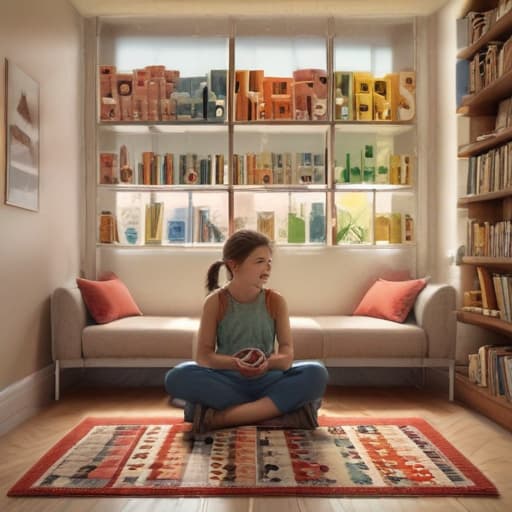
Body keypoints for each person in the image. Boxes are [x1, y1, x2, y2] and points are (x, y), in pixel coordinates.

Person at [164, 229, 328, 433]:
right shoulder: (216, 302)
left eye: (269, 262)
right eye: (259, 261)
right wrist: (235, 364)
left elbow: (286, 357)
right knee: (178, 376)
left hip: (268, 379)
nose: (267, 267)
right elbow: (204, 356)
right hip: (228, 381)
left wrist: (266, 364)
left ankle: (221, 419)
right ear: (234, 265)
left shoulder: (275, 301)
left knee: (316, 372)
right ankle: (274, 413)